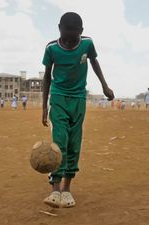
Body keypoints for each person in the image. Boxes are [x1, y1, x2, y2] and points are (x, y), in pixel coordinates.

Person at [41, 12, 114, 208]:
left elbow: (94, 62)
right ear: (59, 29)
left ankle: (67, 189)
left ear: (81, 31)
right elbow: (47, 77)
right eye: (66, 33)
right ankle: (55, 189)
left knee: (74, 143)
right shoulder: (52, 48)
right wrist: (43, 107)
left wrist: (105, 86)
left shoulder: (87, 44)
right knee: (60, 141)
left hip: (78, 98)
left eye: (74, 34)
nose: (69, 38)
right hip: (58, 97)